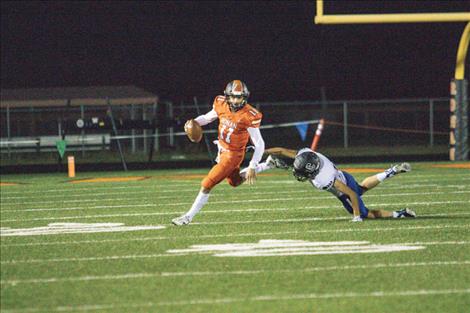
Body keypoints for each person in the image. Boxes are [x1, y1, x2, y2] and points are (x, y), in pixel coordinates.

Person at [172, 80, 282, 226]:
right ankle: (268, 164)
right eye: (233, 97)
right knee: (234, 182)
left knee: (207, 183)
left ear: (245, 97)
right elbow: (207, 118)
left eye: (240, 97)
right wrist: (194, 123)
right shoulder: (221, 103)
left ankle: (188, 217)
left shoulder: (249, 115)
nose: (236, 100)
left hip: (233, 155)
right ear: (228, 96)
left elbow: (259, 143)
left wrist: (252, 165)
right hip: (222, 149)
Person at [265, 147, 416, 222]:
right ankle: (391, 171)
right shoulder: (308, 155)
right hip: (344, 176)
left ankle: (401, 213)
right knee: (362, 187)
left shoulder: (324, 178)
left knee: (366, 213)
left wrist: (357, 216)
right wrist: (263, 151)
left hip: (343, 189)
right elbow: (282, 150)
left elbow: (351, 194)